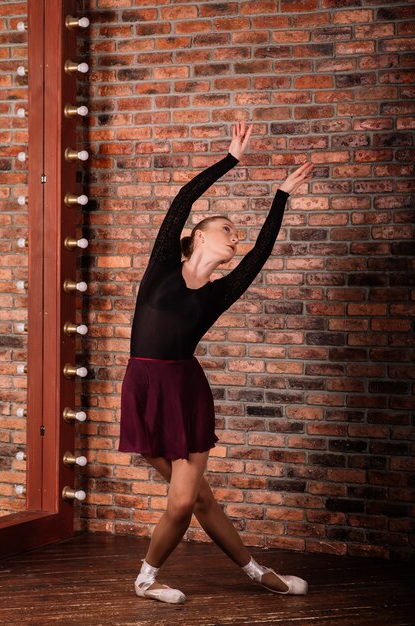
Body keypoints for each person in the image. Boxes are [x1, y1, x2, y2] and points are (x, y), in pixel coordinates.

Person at [119, 121, 313, 604]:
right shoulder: (163, 264)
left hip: (186, 391)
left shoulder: (221, 292)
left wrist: (281, 196)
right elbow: (182, 199)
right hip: (143, 385)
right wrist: (231, 160)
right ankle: (257, 573)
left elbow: (262, 251)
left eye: (236, 232)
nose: (235, 235)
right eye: (226, 228)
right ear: (197, 237)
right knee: (198, 499)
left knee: (185, 499)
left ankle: (146, 579)